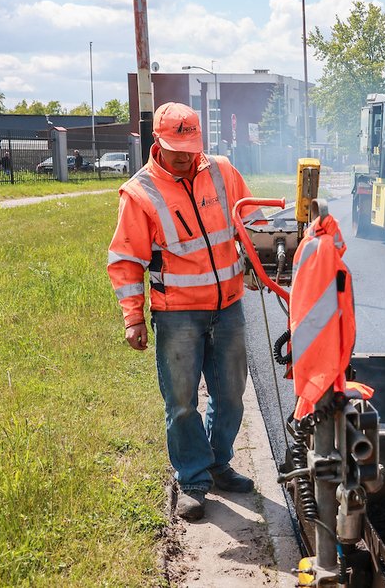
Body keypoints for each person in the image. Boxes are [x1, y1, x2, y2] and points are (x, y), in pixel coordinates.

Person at [107, 102, 257, 522]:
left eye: (191, 148)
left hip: (228, 308)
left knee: (230, 395)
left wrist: (259, 260)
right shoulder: (140, 193)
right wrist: (133, 317)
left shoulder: (222, 171)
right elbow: (125, 260)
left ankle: (218, 463)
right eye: (177, 150)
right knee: (181, 402)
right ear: (158, 141)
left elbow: (252, 223)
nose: (185, 157)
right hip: (177, 315)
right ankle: (192, 479)